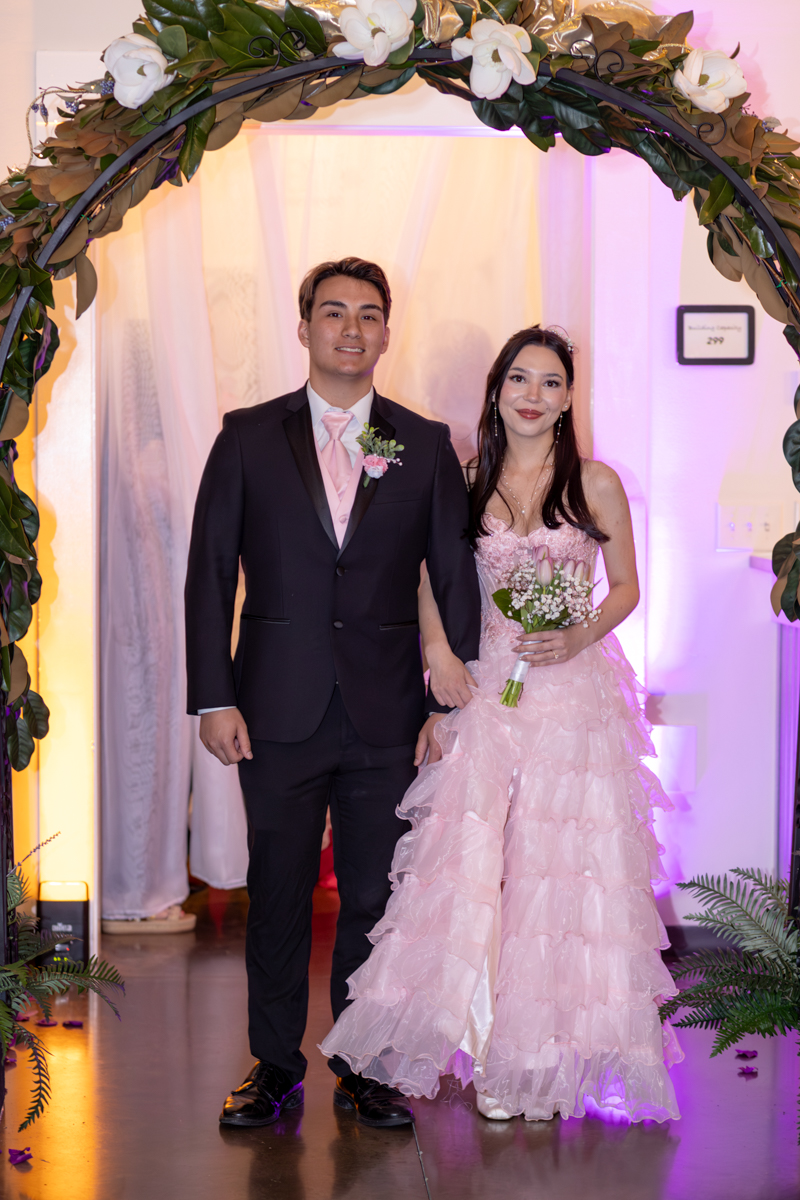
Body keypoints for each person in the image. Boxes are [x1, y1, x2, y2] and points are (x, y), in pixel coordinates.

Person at [320, 325, 683, 1123]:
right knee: (478, 867)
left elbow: (625, 586)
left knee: (558, 873)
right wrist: (440, 657)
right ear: (496, 391)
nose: (532, 395)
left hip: (573, 699)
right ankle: (489, 1047)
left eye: (550, 383)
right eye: (519, 379)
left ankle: (543, 1060)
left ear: (567, 399)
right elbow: (425, 575)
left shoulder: (595, 483)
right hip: (488, 691)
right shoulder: (466, 481)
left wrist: (580, 633)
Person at [184, 257, 481, 1129]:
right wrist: (213, 696)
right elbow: (210, 573)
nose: (352, 329)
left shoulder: (424, 442)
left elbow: (452, 573)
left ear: (387, 332)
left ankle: (363, 1063)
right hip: (272, 708)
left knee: (375, 897)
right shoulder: (246, 436)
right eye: (334, 312)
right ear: (305, 326)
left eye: (369, 315)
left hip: (388, 715)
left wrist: (444, 704)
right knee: (276, 892)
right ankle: (274, 1066)